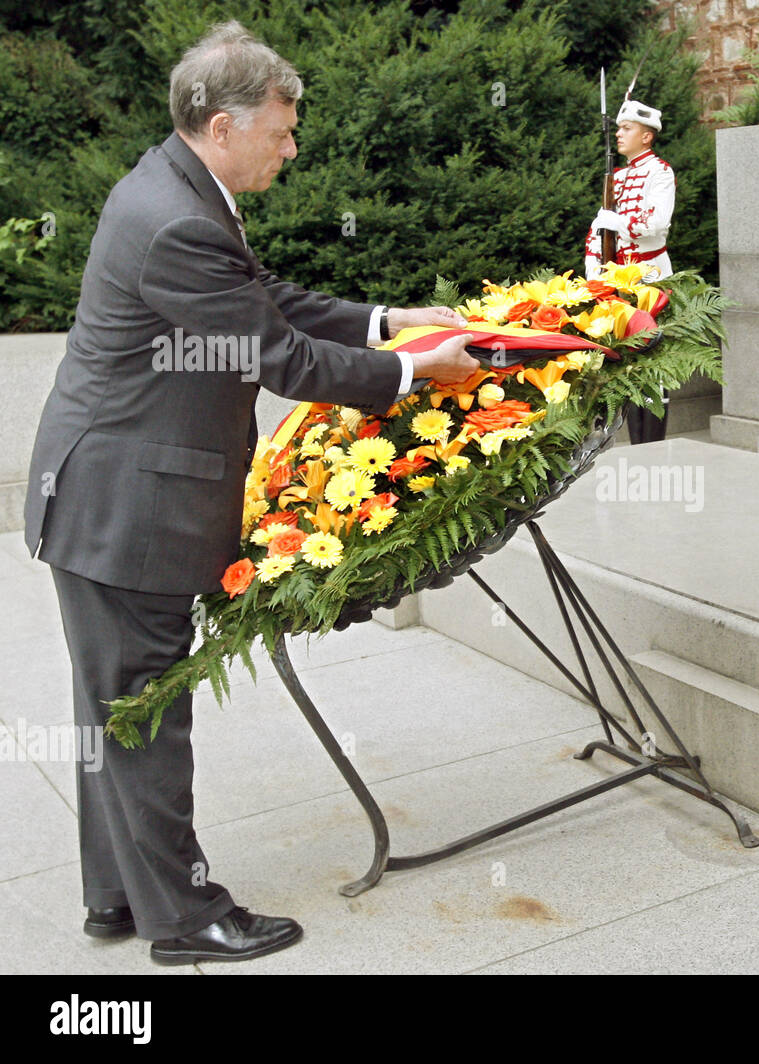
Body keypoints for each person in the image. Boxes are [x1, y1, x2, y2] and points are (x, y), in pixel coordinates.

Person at [22, 20, 479, 965]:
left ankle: (119, 898)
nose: (292, 146)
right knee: (145, 713)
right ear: (222, 125)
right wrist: (412, 376)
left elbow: (264, 300)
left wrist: (391, 322)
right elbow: (276, 353)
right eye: (281, 130)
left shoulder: (182, 188)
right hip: (127, 508)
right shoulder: (179, 219)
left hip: (110, 494)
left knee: (114, 710)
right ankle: (185, 920)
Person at [584, 99, 675, 444]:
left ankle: (650, 444)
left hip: (650, 277)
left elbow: (656, 224)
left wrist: (618, 222)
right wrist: (594, 266)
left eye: (627, 129)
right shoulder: (617, 177)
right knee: (626, 359)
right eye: (619, 128)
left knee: (653, 358)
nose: (619, 134)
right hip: (615, 277)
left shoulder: (660, 172)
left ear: (647, 136)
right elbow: (598, 228)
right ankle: (629, 436)